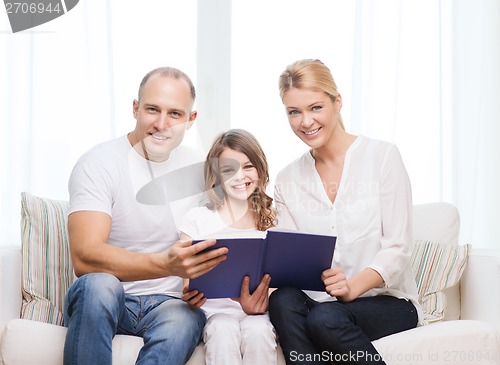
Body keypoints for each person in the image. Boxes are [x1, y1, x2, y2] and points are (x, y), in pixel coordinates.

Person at [63, 66, 228, 365]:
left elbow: (223, 235)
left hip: (170, 304)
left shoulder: (200, 167)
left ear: (191, 120)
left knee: (183, 320)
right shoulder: (98, 164)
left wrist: (201, 284)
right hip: (109, 298)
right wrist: (165, 264)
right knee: (98, 285)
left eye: (175, 114)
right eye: (153, 109)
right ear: (136, 108)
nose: (161, 124)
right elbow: (85, 258)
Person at [268, 59, 424, 365]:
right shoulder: (287, 178)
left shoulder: (382, 157)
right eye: (294, 112)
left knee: (324, 319)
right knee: (283, 300)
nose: (306, 122)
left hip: (387, 302)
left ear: (337, 102)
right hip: (321, 303)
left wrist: (353, 287)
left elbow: (398, 248)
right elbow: (291, 260)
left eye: (315, 107)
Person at [179, 129, 278, 365]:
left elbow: (282, 280)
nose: (239, 176)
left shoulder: (273, 221)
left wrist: (261, 301)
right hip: (216, 313)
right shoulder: (197, 218)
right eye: (228, 170)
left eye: (247, 166)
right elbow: (186, 278)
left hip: (258, 313)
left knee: (259, 331)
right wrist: (189, 294)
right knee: (222, 330)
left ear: (260, 169)